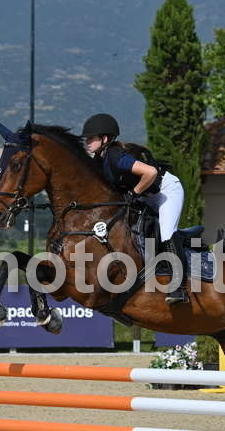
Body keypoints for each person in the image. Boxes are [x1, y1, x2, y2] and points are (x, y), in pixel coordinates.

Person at [81, 113, 189, 305]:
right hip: (146, 196)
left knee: (166, 232)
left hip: (166, 191)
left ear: (104, 138)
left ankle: (179, 288)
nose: (87, 142)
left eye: (91, 138)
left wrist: (134, 192)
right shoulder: (100, 160)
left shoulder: (115, 155)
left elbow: (150, 172)